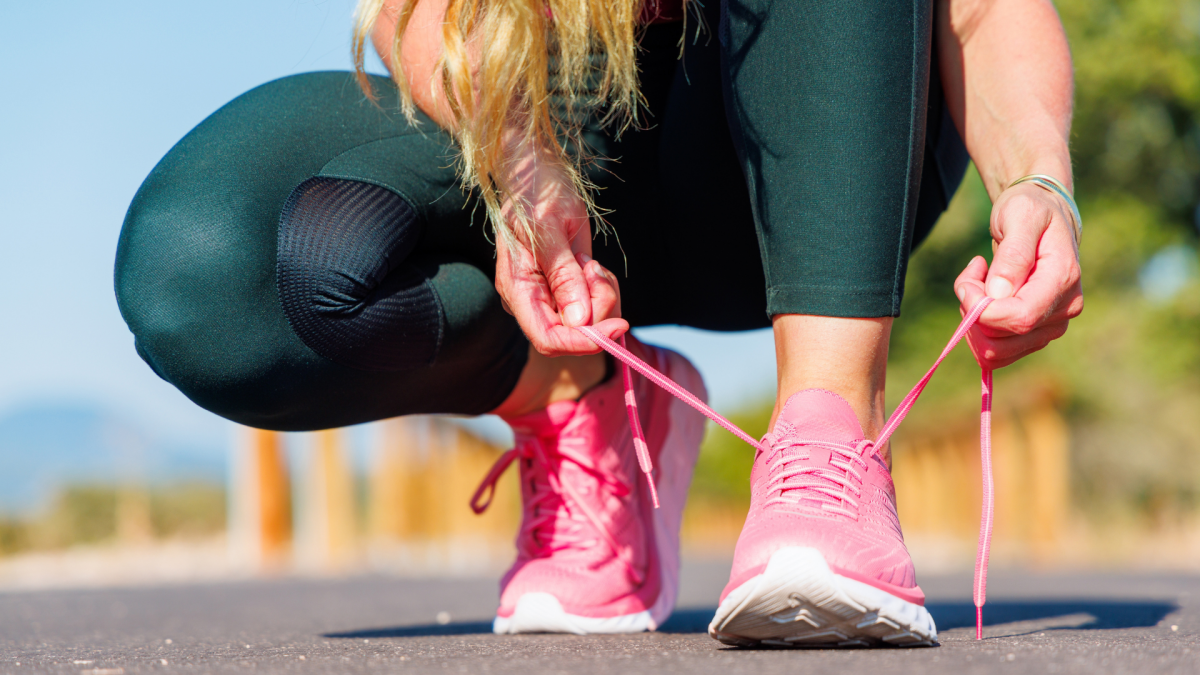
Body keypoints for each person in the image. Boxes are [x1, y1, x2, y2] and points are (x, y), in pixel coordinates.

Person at [114, 0, 1082, 646]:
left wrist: (1041, 175)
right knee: (203, 277)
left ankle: (826, 437)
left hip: (814, 154)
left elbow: (984, 9)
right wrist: (522, 170)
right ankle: (583, 405)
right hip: (538, 145)